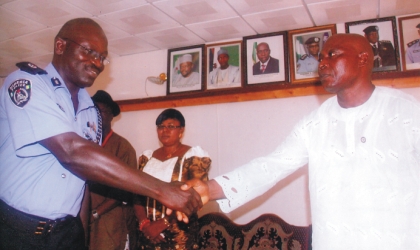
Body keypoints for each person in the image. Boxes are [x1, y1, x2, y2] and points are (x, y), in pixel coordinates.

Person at [182, 33, 420, 249]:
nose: (322, 62)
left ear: (363, 59)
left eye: (332, 55)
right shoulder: (315, 123)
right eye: (321, 56)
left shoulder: (407, 111)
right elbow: (270, 167)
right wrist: (208, 189)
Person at [0, 18, 201, 249]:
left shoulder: (91, 113)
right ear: (60, 46)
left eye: (102, 56)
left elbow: (82, 184)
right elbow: (71, 152)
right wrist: (161, 189)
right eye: (89, 51)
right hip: (17, 231)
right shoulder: (27, 84)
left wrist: (82, 240)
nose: (97, 62)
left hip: (67, 233)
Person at [134, 108, 211, 250]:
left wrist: (161, 224)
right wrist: (145, 223)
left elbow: (196, 197)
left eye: (171, 126)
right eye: (161, 127)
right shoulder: (147, 158)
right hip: (146, 233)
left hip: (180, 234)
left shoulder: (193, 156)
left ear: (181, 130)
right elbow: (136, 193)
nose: (165, 131)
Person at [88, 90, 137, 250]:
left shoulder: (123, 147)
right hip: (83, 219)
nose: (97, 115)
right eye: (93, 111)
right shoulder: (85, 144)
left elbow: (126, 190)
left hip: (109, 220)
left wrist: (96, 213)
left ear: (111, 115)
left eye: (101, 111)